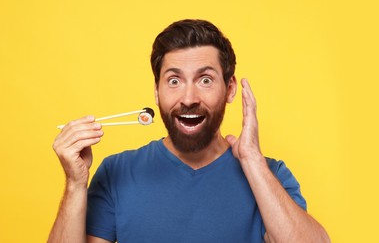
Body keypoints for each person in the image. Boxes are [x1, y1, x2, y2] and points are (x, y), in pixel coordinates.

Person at [48, 19, 330, 243]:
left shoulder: (271, 176)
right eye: (173, 81)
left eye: (205, 80)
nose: (188, 97)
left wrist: (253, 160)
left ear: (229, 89)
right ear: (157, 92)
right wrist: (74, 184)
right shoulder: (116, 173)